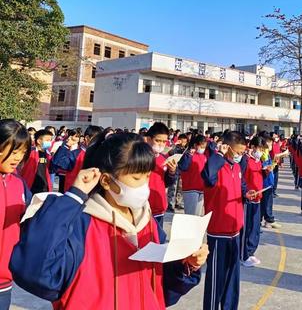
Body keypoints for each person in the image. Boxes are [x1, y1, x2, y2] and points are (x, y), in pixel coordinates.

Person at [11, 132, 208, 310]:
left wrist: (186, 265)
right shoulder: (80, 223)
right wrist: (73, 197)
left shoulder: (147, 222)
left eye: (147, 176)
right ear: (106, 181)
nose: (144, 186)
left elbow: (161, 287)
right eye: (136, 178)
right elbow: (36, 273)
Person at [201, 131, 255, 310]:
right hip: (218, 232)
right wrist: (218, 154)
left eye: (242, 152)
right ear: (226, 147)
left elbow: (241, 187)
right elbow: (207, 177)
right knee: (216, 278)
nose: (240, 155)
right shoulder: (215, 165)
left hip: (235, 231)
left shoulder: (236, 167)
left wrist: (247, 194)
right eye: (238, 151)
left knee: (232, 278)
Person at [0, 120, 31, 310]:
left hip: (4, 282)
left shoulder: (18, 184)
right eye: (13, 151)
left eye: (22, 152)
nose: (17, 158)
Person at [52, 125, 103, 193]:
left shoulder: (100, 154)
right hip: (74, 194)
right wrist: (66, 146)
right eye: (97, 139)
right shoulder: (76, 154)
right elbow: (58, 162)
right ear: (87, 138)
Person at [144, 122, 177, 227]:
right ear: (148, 139)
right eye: (157, 140)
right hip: (142, 208)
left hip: (159, 207)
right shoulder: (139, 157)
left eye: (164, 141)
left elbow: (167, 183)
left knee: (158, 241)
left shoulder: (164, 158)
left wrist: (172, 172)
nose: (161, 144)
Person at [239, 136, 265, 267]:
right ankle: (243, 255)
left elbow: (258, 176)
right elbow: (240, 177)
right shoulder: (245, 160)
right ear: (253, 147)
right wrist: (246, 192)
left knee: (254, 227)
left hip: (258, 197)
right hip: (249, 197)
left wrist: (266, 172)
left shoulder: (258, 160)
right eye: (259, 148)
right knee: (246, 227)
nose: (260, 151)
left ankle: (250, 251)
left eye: (262, 149)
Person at [178, 134, 207, 216]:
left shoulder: (204, 157)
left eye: (204, 147)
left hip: (201, 190)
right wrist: (189, 155)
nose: (202, 149)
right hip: (190, 189)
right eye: (201, 146)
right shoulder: (188, 155)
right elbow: (183, 167)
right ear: (195, 145)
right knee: (190, 216)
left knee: (197, 216)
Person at [20, 129, 54, 194]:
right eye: (47, 140)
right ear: (38, 141)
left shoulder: (48, 154)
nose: (49, 142)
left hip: (44, 187)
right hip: (31, 186)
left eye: (50, 140)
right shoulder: (30, 153)